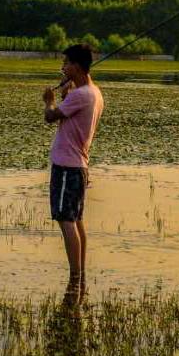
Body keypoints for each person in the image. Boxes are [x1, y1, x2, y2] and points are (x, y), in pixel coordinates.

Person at [42, 42, 104, 284]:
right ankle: (80, 274)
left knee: (65, 220)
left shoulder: (81, 95)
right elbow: (72, 112)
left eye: (66, 63)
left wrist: (49, 100)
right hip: (79, 166)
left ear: (77, 66)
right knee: (76, 220)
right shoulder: (94, 93)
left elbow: (50, 116)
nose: (62, 68)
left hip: (67, 166)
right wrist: (67, 95)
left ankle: (75, 276)